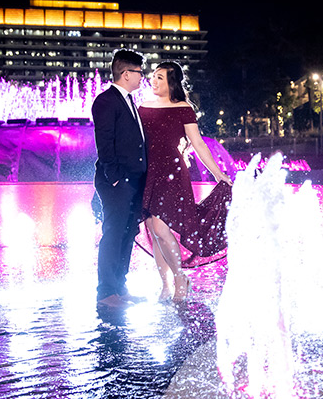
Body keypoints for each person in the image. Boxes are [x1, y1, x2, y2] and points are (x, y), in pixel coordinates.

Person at [138, 61, 232, 302]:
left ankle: (180, 277)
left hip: (172, 172)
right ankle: (165, 284)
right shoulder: (142, 107)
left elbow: (198, 143)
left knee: (160, 226)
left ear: (172, 82)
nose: (154, 81)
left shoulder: (183, 108)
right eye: (154, 76)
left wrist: (217, 174)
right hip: (147, 171)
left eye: (160, 77)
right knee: (152, 229)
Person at [92, 49, 148, 309]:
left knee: (127, 234)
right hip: (117, 181)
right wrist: (115, 178)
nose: (142, 78)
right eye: (139, 72)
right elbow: (105, 142)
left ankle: (120, 288)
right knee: (114, 234)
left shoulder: (129, 101)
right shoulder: (106, 101)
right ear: (126, 74)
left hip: (134, 179)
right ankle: (105, 292)